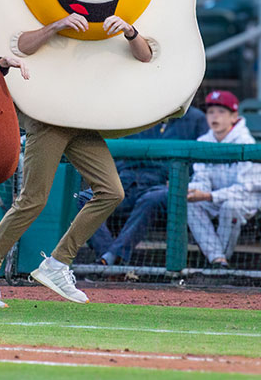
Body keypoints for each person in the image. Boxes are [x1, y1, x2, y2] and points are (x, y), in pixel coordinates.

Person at [0, 12, 153, 307]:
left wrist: (130, 31)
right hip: (47, 118)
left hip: (83, 120)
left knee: (112, 191)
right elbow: (20, 45)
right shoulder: (47, 9)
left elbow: (146, 57)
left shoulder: (110, 18)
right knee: (32, 201)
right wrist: (58, 24)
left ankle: (57, 264)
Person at [84, 106, 209, 267]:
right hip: (128, 181)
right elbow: (120, 152)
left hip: (163, 184)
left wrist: (185, 179)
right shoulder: (143, 111)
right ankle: (109, 257)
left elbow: (203, 160)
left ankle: (113, 258)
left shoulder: (196, 118)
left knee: (151, 199)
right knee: (85, 197)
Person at [187, 90, 261, 268]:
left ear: (234, 117)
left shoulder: (246, 142)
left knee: (230, 206)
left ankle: (219, 260)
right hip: (216, 196)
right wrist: (195, 190)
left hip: (250, 198)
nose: (215, 117)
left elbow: (244, 189)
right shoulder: (203, 141)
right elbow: (202, 176)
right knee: (190, 204)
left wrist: (208, 196)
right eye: (211, 112)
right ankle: (218, 260)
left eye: (221, 112)